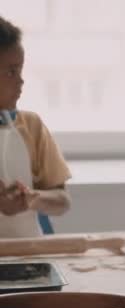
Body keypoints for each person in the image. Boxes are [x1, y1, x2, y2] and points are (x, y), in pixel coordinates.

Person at [0, 16, 71, 237]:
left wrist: (31, 198)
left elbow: (62, 201)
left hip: (29, 252)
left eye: (20, 70)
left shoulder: (31, 126)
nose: (21, 81)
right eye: (11, 72)